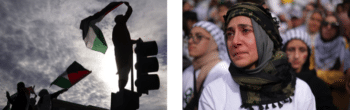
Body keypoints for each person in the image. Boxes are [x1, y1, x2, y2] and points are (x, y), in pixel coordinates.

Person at [199, 2, 316, 110]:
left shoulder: (300, 92)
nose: (235, 41)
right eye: (230, 33)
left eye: (245, 30)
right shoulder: (214, 93)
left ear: (265, 37)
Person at [282, 29, 337, 110]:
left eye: (302, 50)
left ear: (308, 54)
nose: (296, 56)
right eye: (291, 49)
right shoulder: (275, 82)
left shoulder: (319, 86)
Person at [183, 21, 230, 110]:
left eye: (199, 37)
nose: (190, 41)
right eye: (190, 36)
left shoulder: (224, 72)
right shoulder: (188, 71)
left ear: (214, 42)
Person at [312, 13, 350, 110]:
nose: (328, 27)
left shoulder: (344, 47)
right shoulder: (314, 46)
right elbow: (309, 75)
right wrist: (333, 76)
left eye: (334, 25)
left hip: (338, 104)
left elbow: (344, 78)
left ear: (339, 29)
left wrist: (318, 73)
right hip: (316, 102)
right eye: (325, 23)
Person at [112, 1, 135, 90]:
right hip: (123, 54)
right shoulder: (120, 24)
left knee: (124, 72)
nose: (123, 18)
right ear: (119, 19)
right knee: (124, 71)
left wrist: (135, 41)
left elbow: (126, 41)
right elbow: (128, 13)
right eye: (121, 17)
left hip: (123, 54)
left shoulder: (118, 28)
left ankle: (121, 89)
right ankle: (121, 90)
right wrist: (128, 6)